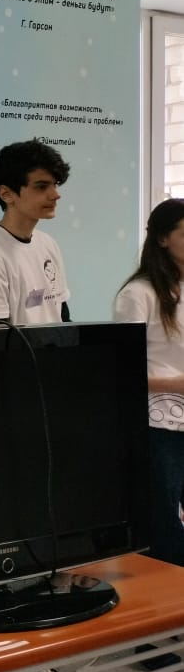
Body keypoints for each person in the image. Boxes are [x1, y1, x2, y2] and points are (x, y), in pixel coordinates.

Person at [114, 198, 184, 567]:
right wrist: (177, 384)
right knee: (164, 523)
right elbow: (122, 372)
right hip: (158, 426)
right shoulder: (137, 294)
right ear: (162, 239)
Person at [0, 139, 72, 325]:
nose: (55, 195)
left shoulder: (48, 244)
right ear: (6, 194)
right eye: (42, 186)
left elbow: (63, 318)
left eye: (55, 184)